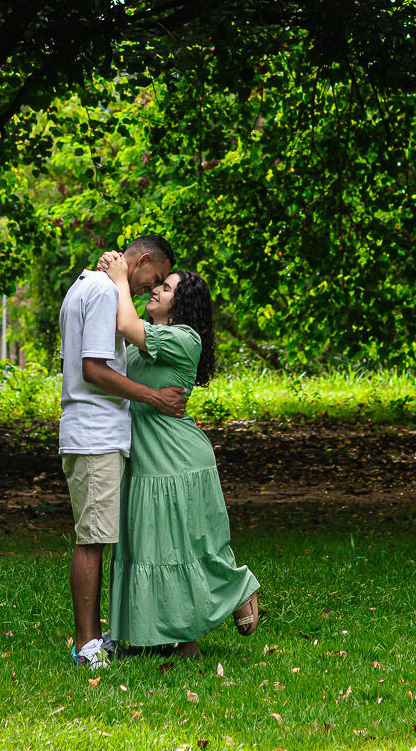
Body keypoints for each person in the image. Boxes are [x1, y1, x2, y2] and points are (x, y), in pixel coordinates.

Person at [99, 255, 261, 656]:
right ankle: (165, 638)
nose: (155, 289)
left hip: (178, 460)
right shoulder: (145, 343)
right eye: (159, 284)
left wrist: (120, 277)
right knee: (154, 549)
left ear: (181, 305)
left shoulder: (185, 338)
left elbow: (125, 324)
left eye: (166, 287)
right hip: (146, 459)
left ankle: (237, 588)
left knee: (183, 548)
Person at [58, 233, 186, 668]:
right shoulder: (100, 291)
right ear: (143, 259)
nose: (153, 287)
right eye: (156, 276)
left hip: (97, 432)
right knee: (93, 540)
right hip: (94, 434)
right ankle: (87, 645)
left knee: (100, 536)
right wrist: (153, 398)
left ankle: (100, 637)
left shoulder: (91, 284)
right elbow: (93, 369)